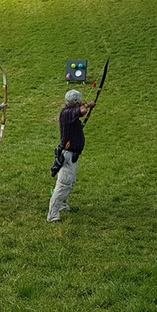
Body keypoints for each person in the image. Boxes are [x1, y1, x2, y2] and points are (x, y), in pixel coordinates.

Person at [47, 89, 95, 223]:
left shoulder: (71, 113)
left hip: (74, 154)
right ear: (75, 103)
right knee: (63, 184)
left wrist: (88, 105)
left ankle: (62, 205)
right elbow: (82, 111)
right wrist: (87, 106)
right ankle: (53, 216)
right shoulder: (66, 113)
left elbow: (81, 111)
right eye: (79, 101)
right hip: (68, 155)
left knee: (70, 183)